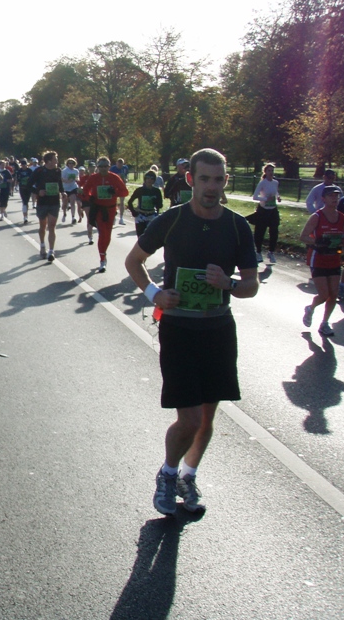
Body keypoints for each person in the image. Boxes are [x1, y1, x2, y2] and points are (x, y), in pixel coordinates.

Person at [125, 148, 258, 516]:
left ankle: (188, 475)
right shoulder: (171, 220)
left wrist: (228, 283)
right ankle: (167, 475)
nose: (211, 186)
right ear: (190, 180)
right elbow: (134, 261)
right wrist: (156, 293)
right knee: (190, 418)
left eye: (218, 179)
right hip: (179, 329)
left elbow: (251, 285)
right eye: (204, 179)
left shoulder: (236, 225)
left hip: (218, 329)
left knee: (208, 418)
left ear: (225, 181)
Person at [300, 185, 344, 336]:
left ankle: (324, 323)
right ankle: (310, 308)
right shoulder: (317, 217)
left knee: (333, 294)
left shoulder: (342, 217)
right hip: (318, 258)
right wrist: (319, 242)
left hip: (334, 259)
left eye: (337, 196)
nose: (334, 199)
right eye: (331, 196)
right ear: (324, 199)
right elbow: (303, 237)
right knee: (324, 294)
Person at [82, 157, 129, 272]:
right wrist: (90, 197)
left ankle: (104, 253)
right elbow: (85, 190)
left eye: (106, 166)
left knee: (107, 235)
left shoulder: (114, 177)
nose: (103, 168)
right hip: (98, 209)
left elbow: (125, 192)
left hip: (111, 209)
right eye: (101, 166)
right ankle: (102, 259)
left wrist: (115, 192)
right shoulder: (94, 178)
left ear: (109, 166)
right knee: (102, 233)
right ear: (98, 167)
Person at [30, 151, 64, 262]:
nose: (57, 161)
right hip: (42, 202)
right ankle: (43, 245)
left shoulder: (58, 171)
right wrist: (38, 191)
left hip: (54, 202)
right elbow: (28, 184)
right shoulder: (39, 171)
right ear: (49, 161)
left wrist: (63, 193)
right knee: (42, 226)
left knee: (52, 226)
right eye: (55, 159)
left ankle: (51, 251)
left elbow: (60, 184)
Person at [250, 163, 281, 264]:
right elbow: (255, 197)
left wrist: (278, 197)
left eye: (272, 171)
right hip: (263, 210)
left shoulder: (275, 182)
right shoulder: (262, 183)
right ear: (265, 172)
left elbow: (276, 192)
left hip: (273, 210)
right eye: (269, 171)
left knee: (274, 232)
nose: (271, 173)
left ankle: (271, 252)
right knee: (260, 232)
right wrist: (265, 198)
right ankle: (258, 252)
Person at [126, 170, 163, 237]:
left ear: (154, 180)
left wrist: (156, 202)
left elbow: (160, 205)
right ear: (145, 179)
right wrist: (133, 212)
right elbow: (130, 202)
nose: (149, 180)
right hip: (140, 216)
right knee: (140, 238)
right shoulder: (139, 190)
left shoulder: (156, 191)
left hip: (151, 216)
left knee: (150, 237)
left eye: (152, 178)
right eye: (148, 178)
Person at [110, 158, 130, 224]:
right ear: (116, 163)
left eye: (121, 165)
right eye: (118, 165)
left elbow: (126, 177)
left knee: (122, 202)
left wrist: (125, 179)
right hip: (114, 187)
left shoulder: (125, 168)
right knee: (114, 202)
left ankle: (121, 218)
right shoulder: (112, 168)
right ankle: (114, 215)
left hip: (122, 186)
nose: (120, 166)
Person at [60, 158, 80, 224]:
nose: (71, 164)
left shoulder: (76, 171)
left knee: (72, 202)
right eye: (70, 163)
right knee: (65, 203)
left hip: (73, 187)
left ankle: (73, 217)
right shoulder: (65, 171)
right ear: (67, 164)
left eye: (72, 163)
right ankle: (64, 214)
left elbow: (77, 178)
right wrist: (68, 181)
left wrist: (76, 179)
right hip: (65, 188)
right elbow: (62, 179)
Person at [15, 158, 34, 224]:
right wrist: (16, 185)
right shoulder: (19, 171)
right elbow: (17, 179)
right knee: (24, 201)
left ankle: (26, 214)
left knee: (27, 201)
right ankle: (25, 217)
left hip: (28, 188)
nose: (23, 166)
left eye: (25, 164)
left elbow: (32, 179)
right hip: (22, 188)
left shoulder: (29, 171)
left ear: (27, 164)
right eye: (22, 165)